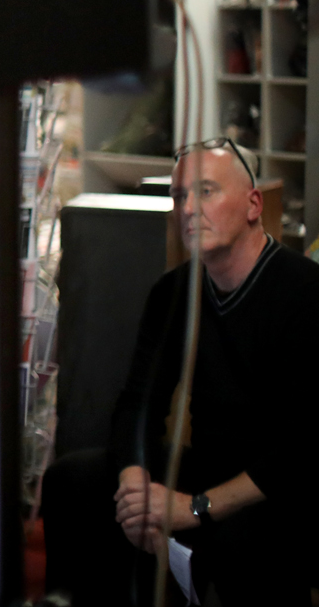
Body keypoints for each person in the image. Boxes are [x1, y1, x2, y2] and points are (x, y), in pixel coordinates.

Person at [41, 138, 319, 606]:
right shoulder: (173, 292)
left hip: (285, 490)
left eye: (206, 191)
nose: (188, 208)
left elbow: (300, 449)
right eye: (179, 196)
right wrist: (135, 485)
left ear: (253, 205)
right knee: (74, 482)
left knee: (243, 541)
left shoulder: (304, 292)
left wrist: (192, 508)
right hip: (208, 467)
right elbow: (138, 402)